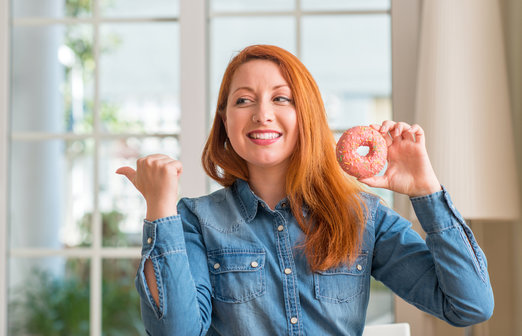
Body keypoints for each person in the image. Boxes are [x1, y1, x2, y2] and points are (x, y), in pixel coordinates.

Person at [116, 44, 493, 336]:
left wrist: (426, 190)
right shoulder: (195, 220)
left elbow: (469, 306)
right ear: (225, 120)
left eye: (281, 98)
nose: (262, 113)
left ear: (306, 115)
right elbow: (176, 331)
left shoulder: (364, 217)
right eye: (243, 100)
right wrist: (160, 210)